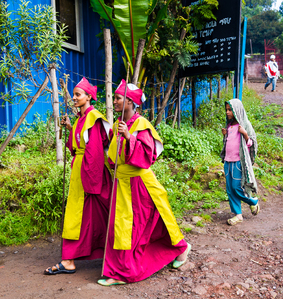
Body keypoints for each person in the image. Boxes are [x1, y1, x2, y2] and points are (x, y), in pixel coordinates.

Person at [98, 79, 191, 286]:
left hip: (139, 183)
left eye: (119, 98)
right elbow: (112, 155)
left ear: (131, 102)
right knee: (121, 226)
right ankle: (120, 270)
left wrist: (129, 136)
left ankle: (181, 249)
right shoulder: (116, 125)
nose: (115, 101)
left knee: (142, 224)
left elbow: (147, 157)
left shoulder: (142, 125)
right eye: (115, 97)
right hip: (121, 183)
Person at [44, 77, 112, 275]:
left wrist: (91, 182)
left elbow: (96, 152)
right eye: (74, 95)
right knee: (82, 216)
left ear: (89, 97)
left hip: (90, 174)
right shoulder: (81, 119)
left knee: (98, 213)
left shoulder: (94, 118)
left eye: (77, 95)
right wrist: (69, 129)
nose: (74, 98)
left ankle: (122, 250)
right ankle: (70, 259)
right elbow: (80, 145)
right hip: (80, 172)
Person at [220, 99, 259, 226]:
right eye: (226, 110)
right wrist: (224, 135)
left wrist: (245, 134)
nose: (227, 112)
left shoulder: (244, 125)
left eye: (230, 110)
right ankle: (238, 215)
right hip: (228, 161)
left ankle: (253, 201)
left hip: (238, 162)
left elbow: (251, 143)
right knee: (230, 189)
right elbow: (228, 143)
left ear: (237, 110)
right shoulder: (229, 126)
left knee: (237, 187)